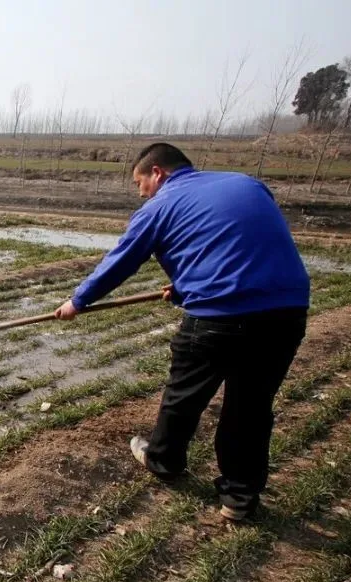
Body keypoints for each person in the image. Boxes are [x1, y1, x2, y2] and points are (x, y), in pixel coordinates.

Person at [54, 143, 310, 520]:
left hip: (220, 317)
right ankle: (239, 499)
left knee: (184, 396)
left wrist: (78, 301)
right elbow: (234, 243)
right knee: (251, 407)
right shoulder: (248, 184)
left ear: (157, 172)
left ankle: (163, 461)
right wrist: (189, 283)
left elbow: (121, 260)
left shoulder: (159, 205)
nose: (140, 192)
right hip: (286, 312)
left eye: (140, 182)